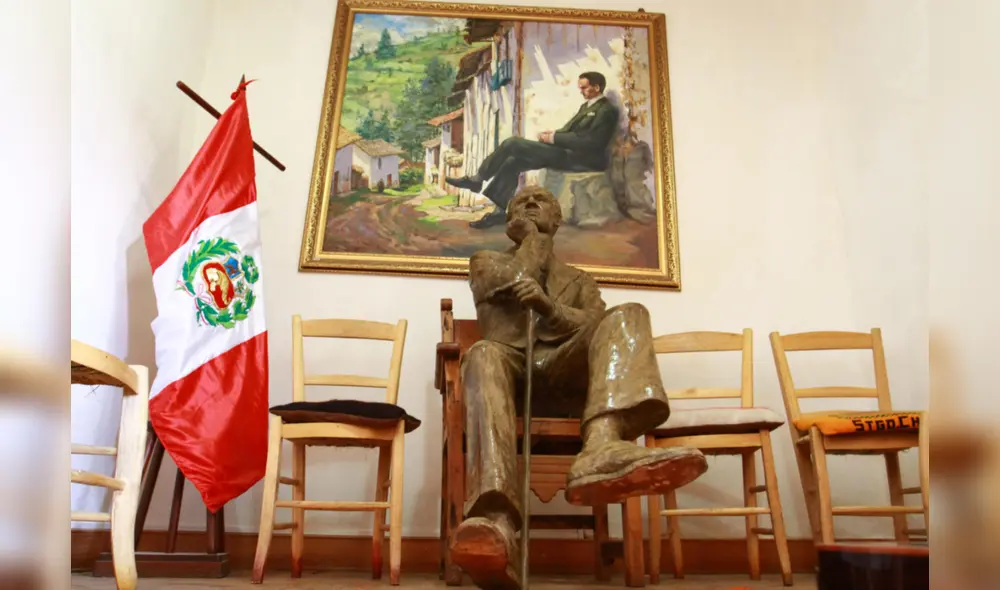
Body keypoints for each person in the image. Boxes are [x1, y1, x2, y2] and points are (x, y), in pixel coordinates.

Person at [450, 186, 708, 589]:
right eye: (522, 202)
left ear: (558, 220)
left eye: (542, 202)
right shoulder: (485, 262)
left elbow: (597, 327)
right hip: (507, 374)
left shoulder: (581, 281)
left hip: (565, 378)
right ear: (510, 222)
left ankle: (601, 445)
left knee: (629, 313)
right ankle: (494, 520)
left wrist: (550, 308)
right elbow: (517, 277)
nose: (532, 204)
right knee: (482, 353)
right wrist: (533, 240)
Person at [447, 71, 620, 229]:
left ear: (596, 88)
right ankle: (499, 212)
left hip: (582, 159)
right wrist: (551, 134)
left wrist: (554, 138)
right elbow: (569, 131)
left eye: (584, 88)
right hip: (568, 153)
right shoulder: (587, 107)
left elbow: (593, 143)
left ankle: (478, 179)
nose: (581, 91)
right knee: (513, 162)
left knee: (512, 143)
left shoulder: (606, 111)